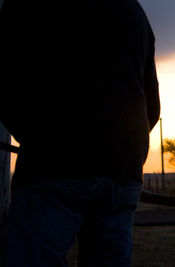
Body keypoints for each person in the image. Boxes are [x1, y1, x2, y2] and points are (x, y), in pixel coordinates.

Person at [0, 0, 160, 266]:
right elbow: (150, 107)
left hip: (53, 166)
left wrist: (37, 137)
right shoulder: (133, 10)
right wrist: (123, 145)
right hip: (121, 173)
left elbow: (5, 81)